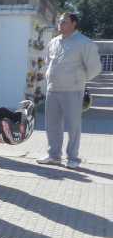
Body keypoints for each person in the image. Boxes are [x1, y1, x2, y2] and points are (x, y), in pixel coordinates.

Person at [38, 12, 102, 168]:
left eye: (64, 21)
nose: (60, 24)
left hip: (73, 90)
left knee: (73, 126)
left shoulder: (84, 43)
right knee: (52, 124)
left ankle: (73, 158)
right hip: (53, 89)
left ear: (74, 24)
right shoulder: (53, 42)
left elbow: (95, 68)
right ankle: (54, 156)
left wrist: (79, 80)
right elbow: (48, 62)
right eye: (59, 21)